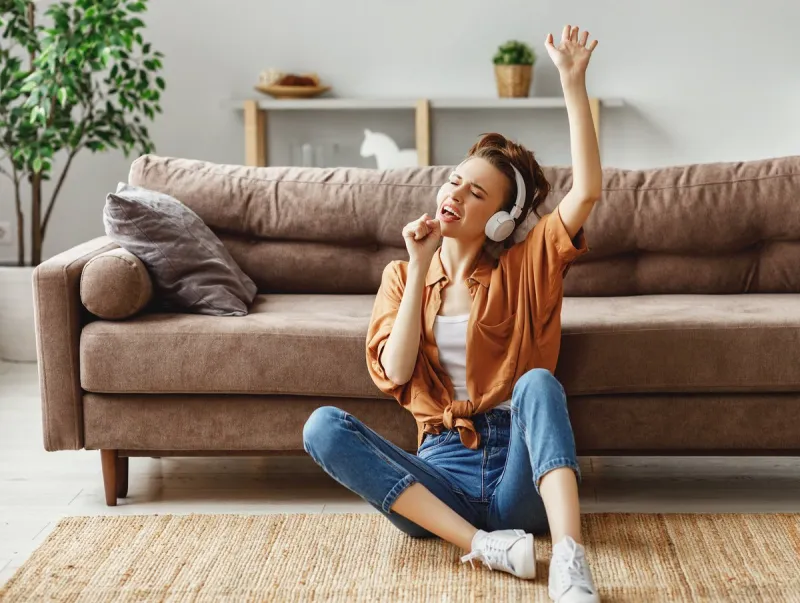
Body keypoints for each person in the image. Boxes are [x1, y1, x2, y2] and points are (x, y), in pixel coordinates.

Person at [303, 24, 602, 603]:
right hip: (436, 482)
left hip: (517, 474)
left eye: (475, 195)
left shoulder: (526, 266)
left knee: (539, 383)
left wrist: (572, 81)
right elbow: (394, 370)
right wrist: (418, 268)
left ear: (501, 222)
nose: (455, 196)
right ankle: (482, 546)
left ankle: (568, 558)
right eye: (454, 182)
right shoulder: (402, 274)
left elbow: (585, 192)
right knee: (322, 428)